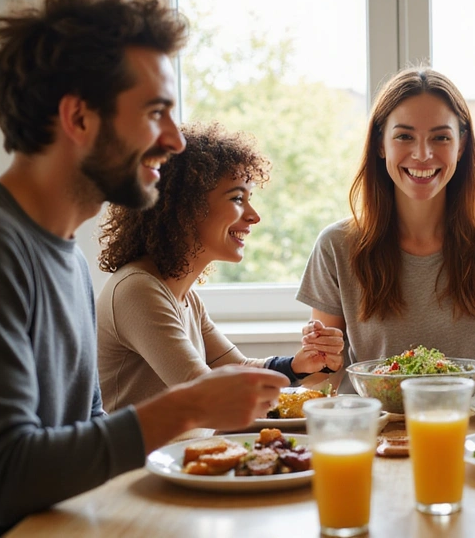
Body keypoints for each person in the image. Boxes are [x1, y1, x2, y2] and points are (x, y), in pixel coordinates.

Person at [0, 0, 288, 537]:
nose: (174, 140)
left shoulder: (70, 261)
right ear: (79, 118)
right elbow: (4, 478)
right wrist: (189, 407)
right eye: (155, 112)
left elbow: (86, 436)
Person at [297, 67, 475, 393]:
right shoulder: (336, 245)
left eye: (441, 137)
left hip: (471, 430)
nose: (422, 154)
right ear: (380, 144)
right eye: (404, 136)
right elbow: (323, 381)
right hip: (376, 430)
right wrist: (320, 356)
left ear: (461, 145)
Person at [96, 122, 344, 412]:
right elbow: (206, 394)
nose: (254, 217)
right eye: (237, 198)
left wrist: (300, 365)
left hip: (182, 456)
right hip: (146, 459)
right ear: (186, 207)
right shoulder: (137, 290)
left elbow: (238, 367)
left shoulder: (185, 297)